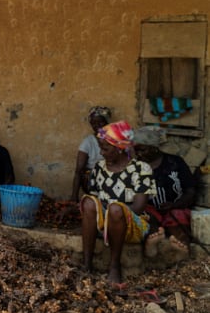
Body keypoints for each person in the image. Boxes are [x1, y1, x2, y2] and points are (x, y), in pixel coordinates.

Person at [79, 120, 155, 286]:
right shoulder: (99, 168)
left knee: (115, 209)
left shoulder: (141, 169)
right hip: (105, 224)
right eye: (101, 147)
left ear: (120, 148)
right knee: (89, 202)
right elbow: (94, 198)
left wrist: (114, 214)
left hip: (132, 225)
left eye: (106, 148)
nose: (101, 152)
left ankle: (114, 266)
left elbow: (139, 206)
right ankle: (86, 264)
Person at [133, 126, 196, 257]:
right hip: (149, 210)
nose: (138, 154)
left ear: (154, 147)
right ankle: (153, 241)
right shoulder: (135, 167)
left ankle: (181, 247)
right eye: (136, 150)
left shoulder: (175, 162)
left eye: (142, 150)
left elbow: (190, 191)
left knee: (178, 218)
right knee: (148, 219)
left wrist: (175, 205)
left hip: (176, 207)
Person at [70, 106, 112, 202]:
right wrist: (74, 196)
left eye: (100, 122)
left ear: (107, 122)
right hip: (93, 180)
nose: (97, 125)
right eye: (93, 123)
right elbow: (78, 171)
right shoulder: (88, 142)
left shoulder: (115, 140)